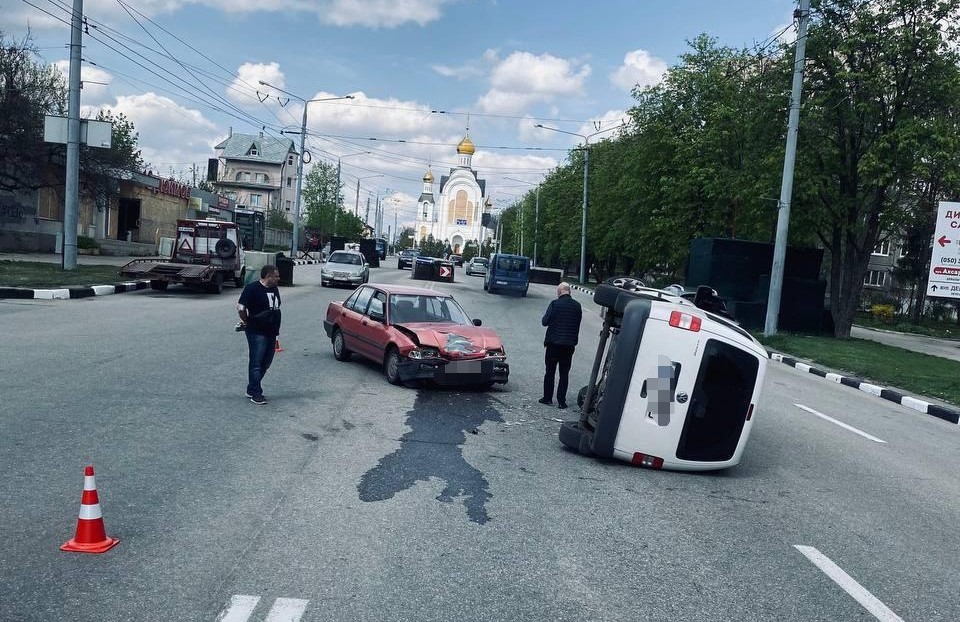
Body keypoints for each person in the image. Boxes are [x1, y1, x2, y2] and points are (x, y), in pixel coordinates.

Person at [237, 264, 282, 405]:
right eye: (276, 276)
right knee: (256, 363)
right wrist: (246, 321)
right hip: (256, 331)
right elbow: (240, 307)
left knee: (266, 362)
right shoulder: (252, 288)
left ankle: (251, 388)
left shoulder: (274, 288)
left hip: (272, 331)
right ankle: (256, 393)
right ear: (268, 276)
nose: (278, 279)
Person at [539, 282, 582, 409]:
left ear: (559, 292)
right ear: (569, 291)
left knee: (550, 371)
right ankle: (562, 402)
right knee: (564, 373)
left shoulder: (555, 304)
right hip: (569, 345)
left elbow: (544, 322)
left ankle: (547, 398)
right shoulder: (577, 306)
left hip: (554, 344)